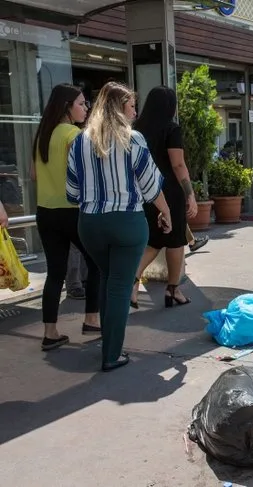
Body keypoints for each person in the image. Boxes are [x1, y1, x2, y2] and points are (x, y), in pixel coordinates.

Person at [67, 81, 172, 371]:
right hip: (127, 222)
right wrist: (166, 213)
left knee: (108, 278)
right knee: (118, 287)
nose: (135, 113)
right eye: (131, 107)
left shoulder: (80, 140)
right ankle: (112, 354)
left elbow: (72, 192)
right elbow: (151, 186)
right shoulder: (133, 139)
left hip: (89, 224)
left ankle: (108, 344)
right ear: (119, 108)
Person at [32, 83, 101, 351]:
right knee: (95, 263)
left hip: (45, 211)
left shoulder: (41, 135)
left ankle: (50, 332)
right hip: (73, 210)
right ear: (67, 107)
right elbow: (87, 173)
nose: (86, 108)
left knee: (55, 272)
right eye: (81, 104)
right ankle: (92, 320)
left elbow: (34, 175)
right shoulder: (74, 134)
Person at [131, 86, 196, 309]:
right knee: (176, 240)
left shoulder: (136, 129)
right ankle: (173, 289)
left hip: (145, 190)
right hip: (169, 191)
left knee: (154, 240)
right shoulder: (171, 129)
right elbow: (178, 164)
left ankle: (133, 281)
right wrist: (190, 194)